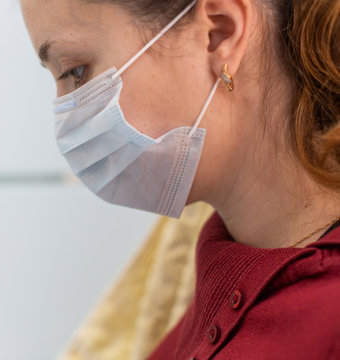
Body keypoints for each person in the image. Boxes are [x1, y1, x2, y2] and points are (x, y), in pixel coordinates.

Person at [20, 0, 340, 358]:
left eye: (75, 72)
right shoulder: (220, 262)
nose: (66, 121)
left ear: (219, 33)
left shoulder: (326, 323)